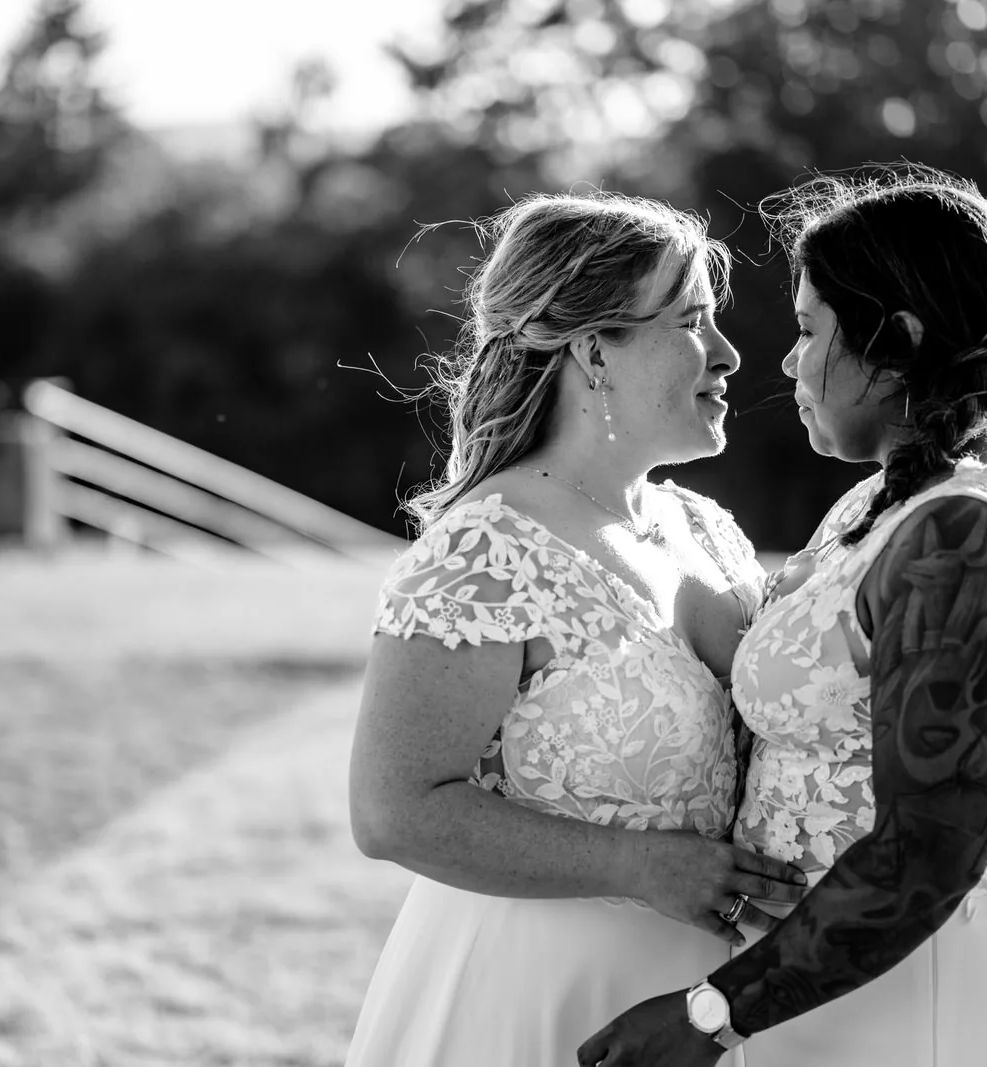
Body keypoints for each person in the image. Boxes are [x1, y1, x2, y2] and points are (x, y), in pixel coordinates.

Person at [577, 167, 987, 1067]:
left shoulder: (965, 535)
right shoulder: (900, 493)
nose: (786, 361)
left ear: (897, 340)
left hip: (933, 1014)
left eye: (810, 329)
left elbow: (926, 852)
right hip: (836, 1011)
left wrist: (710, 1014)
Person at [345, 191, 812, 1067]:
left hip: (705, 1004)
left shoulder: (702, 528)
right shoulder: (486, 548)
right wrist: (639, 866)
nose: (727, 354)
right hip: (535, 999)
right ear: (597, 348)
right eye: (693, 322)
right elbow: (392, 810)